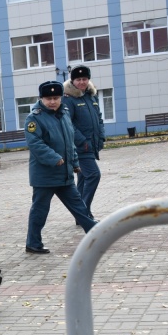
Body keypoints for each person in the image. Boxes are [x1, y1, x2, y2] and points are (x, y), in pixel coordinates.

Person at [25, 81, 97, 254]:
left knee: (79, 206)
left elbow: (69, 141)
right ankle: (33, 243)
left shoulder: (64, 113)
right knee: (40, 211)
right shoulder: (34, 118)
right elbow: (35, 144)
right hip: (44, 176)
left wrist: (75, 163)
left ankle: (95, 234)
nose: (52, 102)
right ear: (41, 98)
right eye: (48, 98)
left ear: (61, 98)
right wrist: (55, 158)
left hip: (64, 173)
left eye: (56, 98)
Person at [63, 65, 105, 222]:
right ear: (72, 81)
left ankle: (80, 215)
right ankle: (84, 214)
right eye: (78, 79)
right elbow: (69, 124)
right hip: (80, 147)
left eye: (84, 79)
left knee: (83, 179)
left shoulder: (90, 96)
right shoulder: (68, 99)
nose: (82, 82)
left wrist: (101, 137)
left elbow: (99, 118)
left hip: (92, 144)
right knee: (94, 175)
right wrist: (83, 141)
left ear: (88, 80)